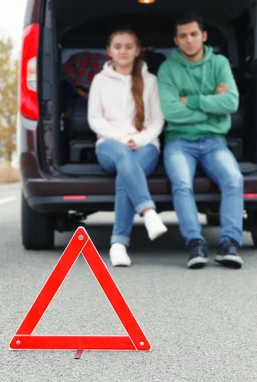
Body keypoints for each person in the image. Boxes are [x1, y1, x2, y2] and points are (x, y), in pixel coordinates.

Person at [157, 13, 244, 269]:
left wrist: (192, 101)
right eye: (183, 36)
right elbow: (171, 111)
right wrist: (211, 103)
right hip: (179, 142)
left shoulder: (219, 64)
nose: (189, 40)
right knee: (182, 184)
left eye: (194, 34)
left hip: (214, 141)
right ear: (176, 40)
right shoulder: (168, 69)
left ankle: (229, 243)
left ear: (203, 36)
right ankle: (196, 244)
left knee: (234, 179)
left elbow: (231, 102)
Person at [87, 28, 168, 267]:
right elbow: (95, 119)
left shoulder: (150, 81)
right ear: (109, 51)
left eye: (129, 46)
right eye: (118, 46)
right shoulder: (100, 81)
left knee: (126, 175)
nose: (123, 51)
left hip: (146, 146)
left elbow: (157, 120)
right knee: (123, 156)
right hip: (110, 145)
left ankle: (118, 244)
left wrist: (140, 140)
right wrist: (123, 138)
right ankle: (148, 212)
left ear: (137, 50)